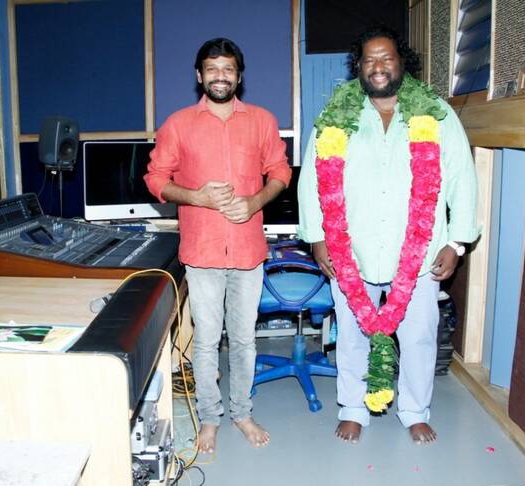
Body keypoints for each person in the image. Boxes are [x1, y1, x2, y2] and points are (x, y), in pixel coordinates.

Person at [297, 26, 479, 446]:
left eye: (386, 58)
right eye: (369, 60)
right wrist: (318, 237)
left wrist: (456, 242)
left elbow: (462, 180)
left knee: (418, 338)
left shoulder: (436, 113)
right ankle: (353, 408)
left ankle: (414, 411)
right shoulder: (337, 114)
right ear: (358, 66)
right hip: (351, 253)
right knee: (351, 337)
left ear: (402, 63)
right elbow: (311, 181)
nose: (378, 67)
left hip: (418, 255)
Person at [144, 38, 291, 454]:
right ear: (199, 75)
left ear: (238, 76)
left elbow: (280, 171)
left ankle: (242, 413)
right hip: (203, 251)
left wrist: (255, 201)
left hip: (247, 250)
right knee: (207, 341)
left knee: (244, 341)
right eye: (212, 69)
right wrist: (197, 197)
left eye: (228, 69)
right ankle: (210, 418)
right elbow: (155, 178)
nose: (220, 76)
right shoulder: (178, 124)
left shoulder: (262, 121)